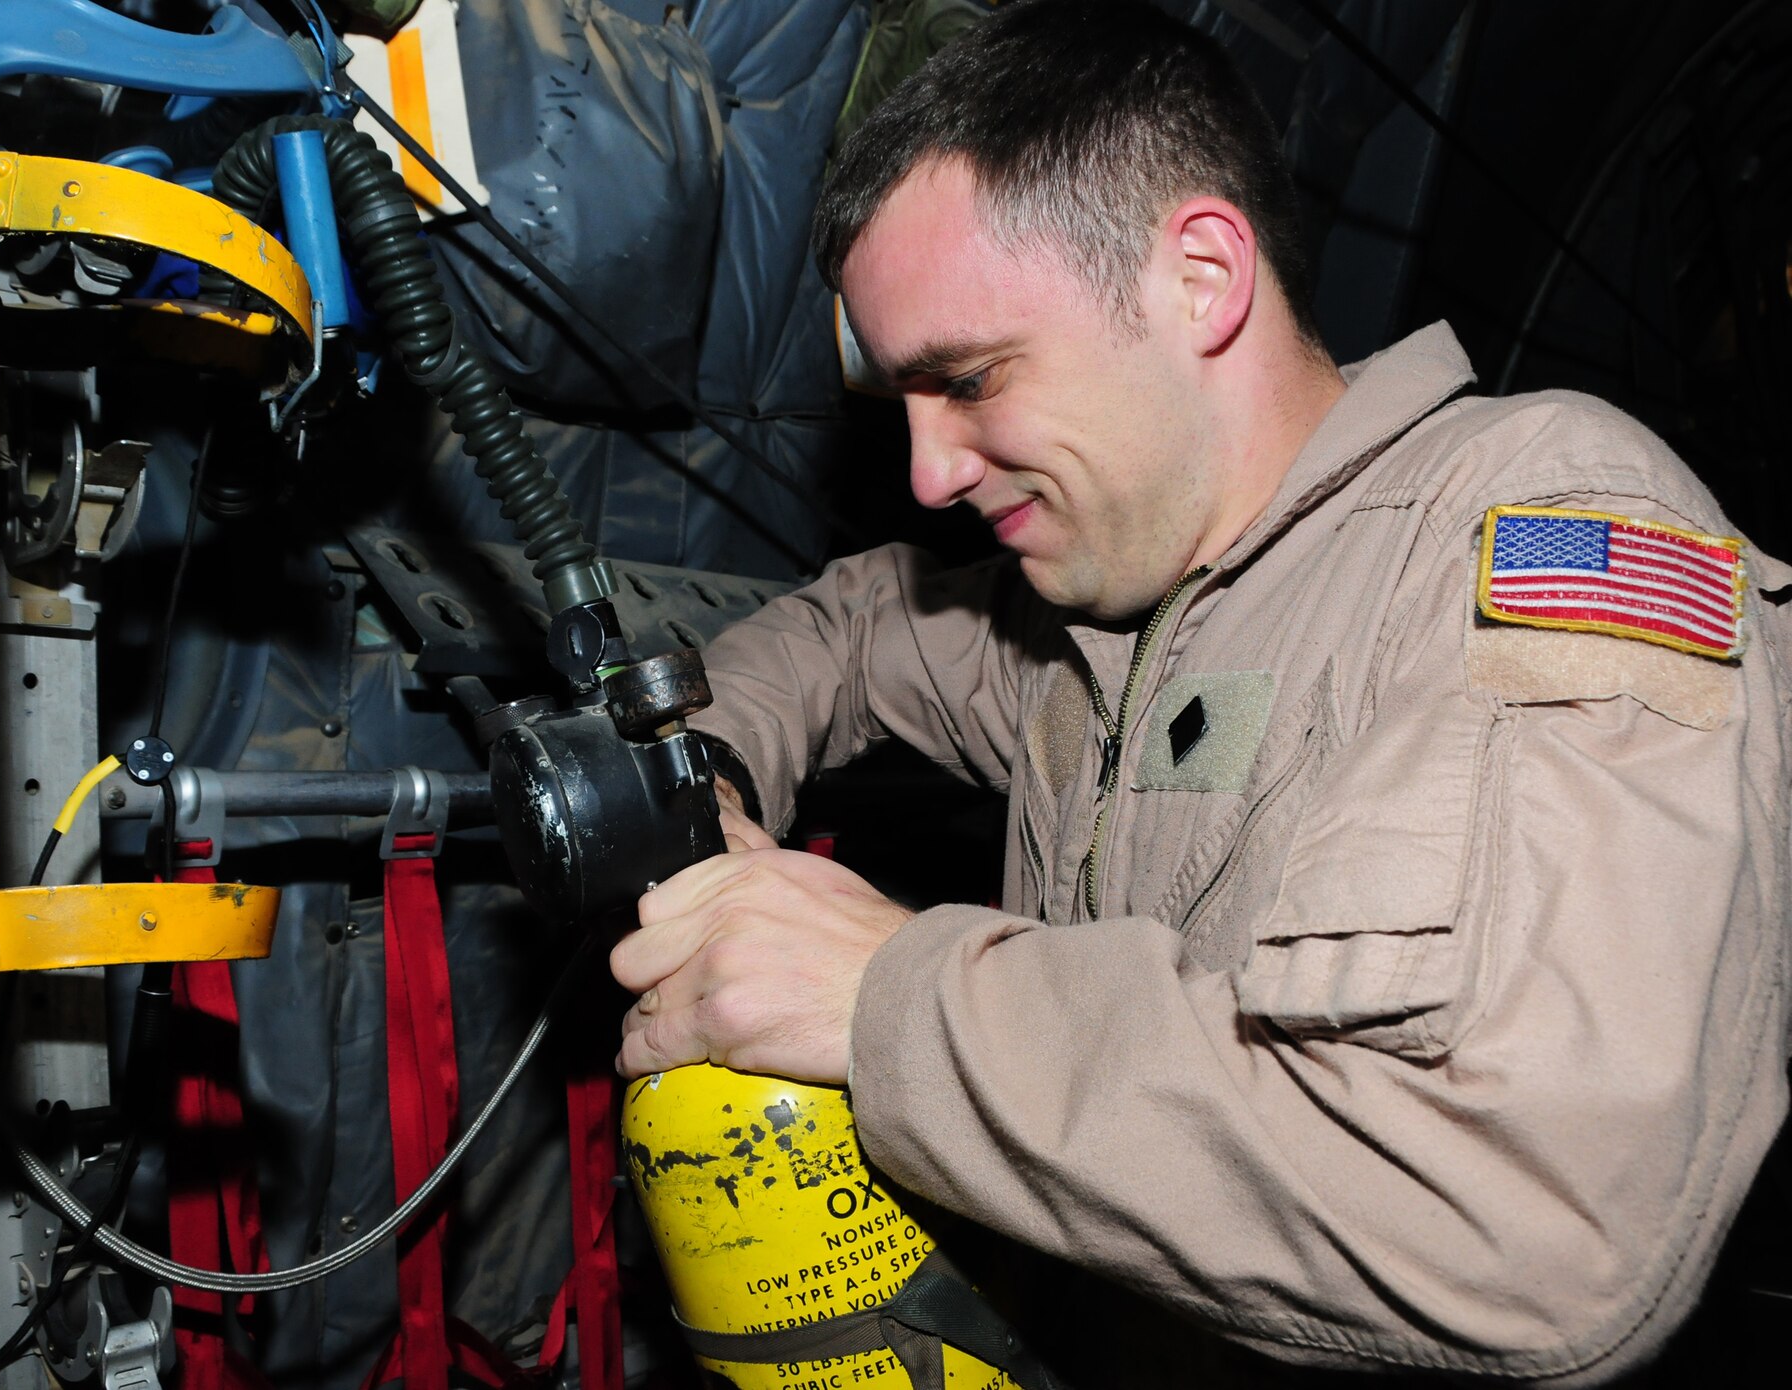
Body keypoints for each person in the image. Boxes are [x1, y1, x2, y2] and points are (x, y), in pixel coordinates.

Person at [609, 0, 1792, 1382]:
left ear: (1201, 277)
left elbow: (1540, 1230)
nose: (930, 471)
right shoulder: (1098, 598)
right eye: (902, 411)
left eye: (971, 379)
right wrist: (706, 779)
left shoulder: (1525, 532)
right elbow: (850, 627)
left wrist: (891, 993)